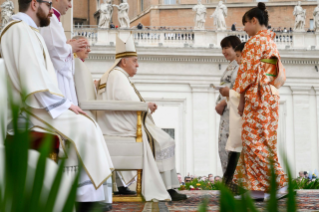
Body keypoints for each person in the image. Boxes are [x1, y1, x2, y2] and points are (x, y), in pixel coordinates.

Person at [2, 1, 114, 211]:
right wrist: (65, 104)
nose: (51, 9)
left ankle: (86, 194)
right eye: (48, 4)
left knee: (85, 123)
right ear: (35, 4)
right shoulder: (19, 30)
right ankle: (86, 200)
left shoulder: (27, 30)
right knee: (85, 127)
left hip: (38, 105)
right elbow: (31, 78)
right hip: (31, 110)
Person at [95, 34, 187, 202]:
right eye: (134, 61)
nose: (137, 65)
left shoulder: (116, 74)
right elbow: (128, 102)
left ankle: (168, 186)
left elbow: (126, 101)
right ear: (124, 61)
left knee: (164, 139)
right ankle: (167, 188)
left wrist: (145, 106)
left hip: (119, 121)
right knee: (165, 141)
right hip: (121, 126)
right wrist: (146, 107)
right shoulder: (117, 75)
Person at [232, 2, 287, 201]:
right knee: (262, 141)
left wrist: (241, 101)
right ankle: (257, 190)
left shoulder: (255, 42)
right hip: (269, 96)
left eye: (245, 24)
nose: (244, 29)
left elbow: (246, 74)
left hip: (257, 97)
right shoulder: (270, 41)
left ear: (254, 21)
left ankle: (280, 183)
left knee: (254, 141)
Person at [40, 0, 87, 106]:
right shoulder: (50, 19)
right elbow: (54, 53)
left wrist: (66, 45)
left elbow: (55, 47)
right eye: (68, 1)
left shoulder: (55, 19)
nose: (70, 5)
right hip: (56, 79)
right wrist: (70, 47)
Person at [215, 36, 241, 174]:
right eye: (222, 48)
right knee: (224, 147)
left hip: (233, 112)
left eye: (226, 47)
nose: (223, 51)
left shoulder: (239, 66)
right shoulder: (230, 66)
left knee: (231, 148)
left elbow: (239, 89)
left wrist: (224, 101)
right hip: (227, 113)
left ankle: (233, 184)